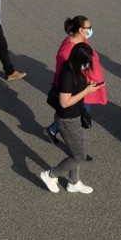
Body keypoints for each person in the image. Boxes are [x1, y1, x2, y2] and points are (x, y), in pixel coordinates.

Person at [39, 43, 102, 195]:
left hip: (75, 117)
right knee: (79, 156)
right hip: (67, 120)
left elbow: (76, 89)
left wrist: (87, 86)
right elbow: (64, 102)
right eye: (86, 61)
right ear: (79, 60)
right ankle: (50, 175)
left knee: (78, 151)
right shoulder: (67, 74)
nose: (88, 65)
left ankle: (74, 182)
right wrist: (86, 90)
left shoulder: (74, 68)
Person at [45, 16, 109, 144]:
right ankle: (77, 151)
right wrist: (86, 89)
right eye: (89, 28)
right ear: (80, 30)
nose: (91, 30)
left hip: (83, 87)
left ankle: (52, 130)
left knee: (75, 115)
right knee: (75, 117)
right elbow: (67, 77)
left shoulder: (81, 40)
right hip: (78, 91)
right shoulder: (67, 51)